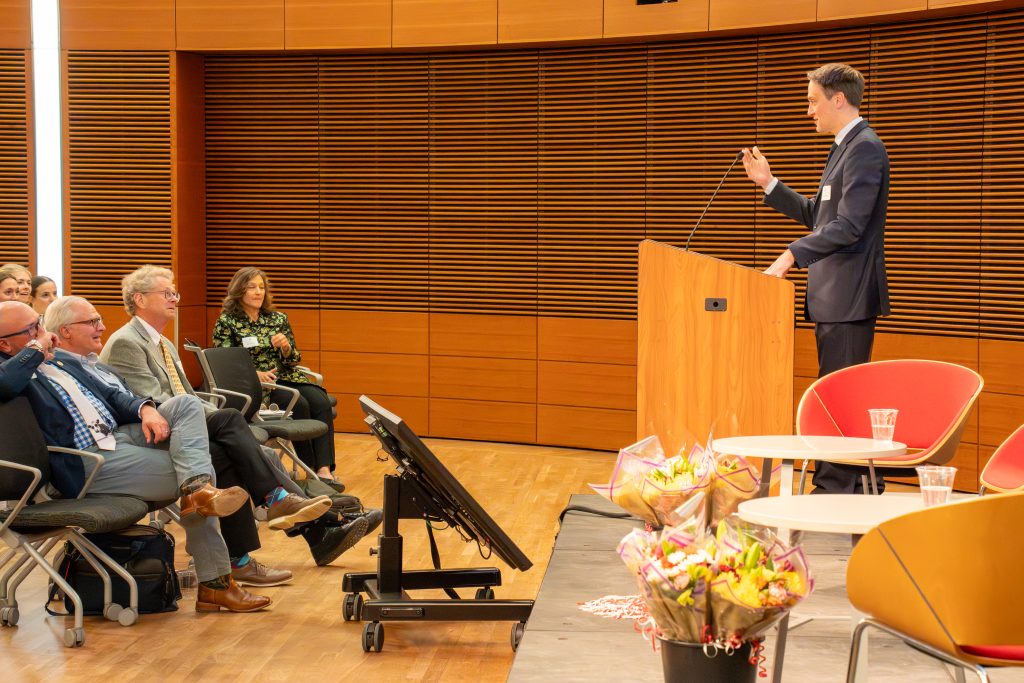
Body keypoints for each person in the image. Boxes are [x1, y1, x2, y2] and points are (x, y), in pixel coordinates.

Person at [0, 300, 271, 612]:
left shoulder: (58, 361)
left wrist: (146, 410)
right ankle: (216, 582)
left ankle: (198, 494)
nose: (43, 332)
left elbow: (112, 394)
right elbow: (5, 383)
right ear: (5, 344)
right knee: (201, 473)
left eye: (40, 323)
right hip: (89, 459)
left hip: (118, 434)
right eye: (32, 329)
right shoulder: (16, 368)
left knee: (186, 406)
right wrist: (36, 348)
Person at [98, 266, 377, 565]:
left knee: (257, 452)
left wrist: (221, 421)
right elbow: (156, 403)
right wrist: (221, 421)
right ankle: (309, 518)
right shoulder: (127, 342)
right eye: (166, 293)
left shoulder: (163, 343)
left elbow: (187, 395)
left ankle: (300, 533)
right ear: (140, 299)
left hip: (182, 425)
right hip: (153, 435)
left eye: (175, 293)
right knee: (233, 429)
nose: (174, 299)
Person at [741, 63, 890, 494]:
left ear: (837, 99)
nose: (809, 111)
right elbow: (819, 216)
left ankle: (836, 489)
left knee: (840, 397)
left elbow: (849, 226)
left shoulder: (865, 148)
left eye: (813, 101)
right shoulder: (844, 147)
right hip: (833, 298)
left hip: (849, 297)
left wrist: (791, 254)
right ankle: (852, 485)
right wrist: (770, 184)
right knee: (836, 393)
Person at [212, 267, 339, 486]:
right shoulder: (227, 322)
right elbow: (224, 363)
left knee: (320, 401)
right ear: (239, 291)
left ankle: (324, 469)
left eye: (261, 287)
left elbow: (293, 360)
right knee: (300, 404)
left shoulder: (278, 318)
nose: (258, 292)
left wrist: (287, 348)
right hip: (258, 386)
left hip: (287, 377)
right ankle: (310, 470)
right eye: (252, 287)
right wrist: (254, 375)